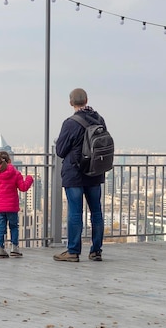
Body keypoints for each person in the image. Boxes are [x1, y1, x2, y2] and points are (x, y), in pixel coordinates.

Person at [53, 88, 106, 262]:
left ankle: (73, 251)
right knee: (96, 212)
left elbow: (60, 150)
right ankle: (96, 250)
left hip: (75, 173)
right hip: (95, 172)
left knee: (75, 213)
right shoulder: (99, 119)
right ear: (87, 100)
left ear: (71, 102)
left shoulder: (70, 123)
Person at [0, 150, 34, 258]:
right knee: (14, 227)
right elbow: (23, 187)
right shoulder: (16, 173)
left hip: (0, 208)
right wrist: (29, 179)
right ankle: (14, 248)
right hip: (12, 207)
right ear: (10, 161)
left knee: (1, 228)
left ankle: (0, 249)